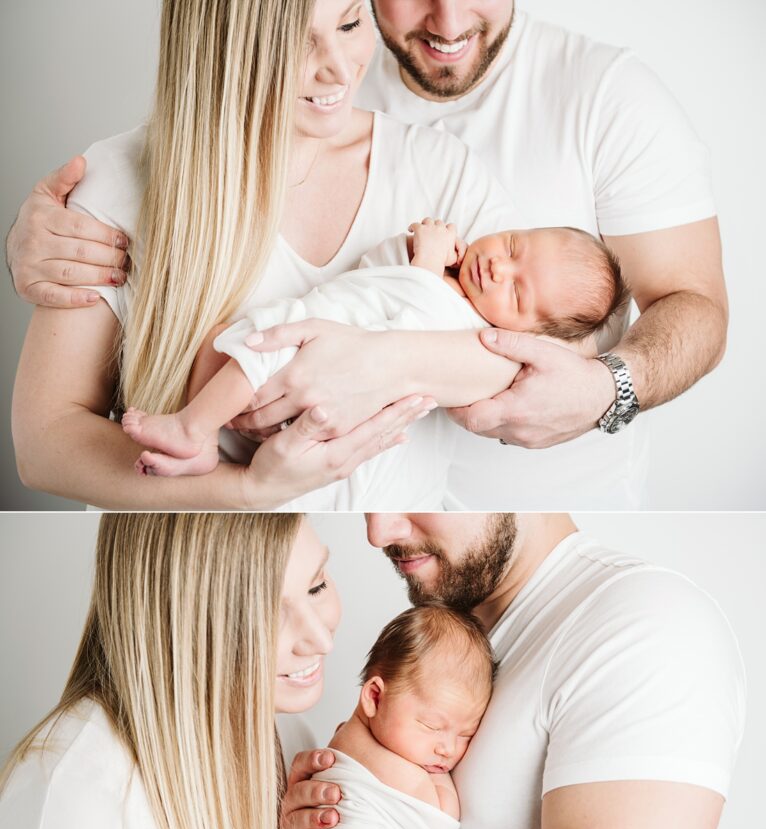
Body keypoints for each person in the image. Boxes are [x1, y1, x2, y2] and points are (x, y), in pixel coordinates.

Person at [0, 512, 556, 829]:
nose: (320, 638)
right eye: (263, 612)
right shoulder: (77, 785)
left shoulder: (290, 736)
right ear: (174, 621)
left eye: (316, 585)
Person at [9, 0, 541, 512]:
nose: (338, 70)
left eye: (351, 23)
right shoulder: (119, 183)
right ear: (221, 46)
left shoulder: (442, 171)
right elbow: (45, 443)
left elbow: (541, 356)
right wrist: (244, 490)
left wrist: (378, 364)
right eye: (296, 43)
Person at [217, 1, 729, 509]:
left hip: (547, 504)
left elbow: (694, 304)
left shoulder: (607, 94)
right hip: (363, 497)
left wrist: (607, 387)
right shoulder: (325, 77)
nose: (450, 23)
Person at [279, 513, 746, 829]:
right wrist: (337, 812)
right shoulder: (459, 642)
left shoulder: (644, 620)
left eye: (412, 497)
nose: (378, 531)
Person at [120, 218, 626, 479]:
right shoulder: (452, 277)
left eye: (517, 292)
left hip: (308, 360)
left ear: (529, 333)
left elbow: (403, 333)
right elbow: (370, 275)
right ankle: (204, 444)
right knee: (219, 341)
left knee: (255, 345)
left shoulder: (463, 326)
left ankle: (189, 428)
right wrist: (410, 249)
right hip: (312, 345)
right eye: (514, 246)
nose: (499, 268)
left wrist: (426, 265)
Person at [289, 603, 498, 829]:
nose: (447, 748)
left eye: (467, 733)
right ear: (374, 697)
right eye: (432, 726)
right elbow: (441, 820)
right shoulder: (396, 772)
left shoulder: (344, 737)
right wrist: (444, 783)